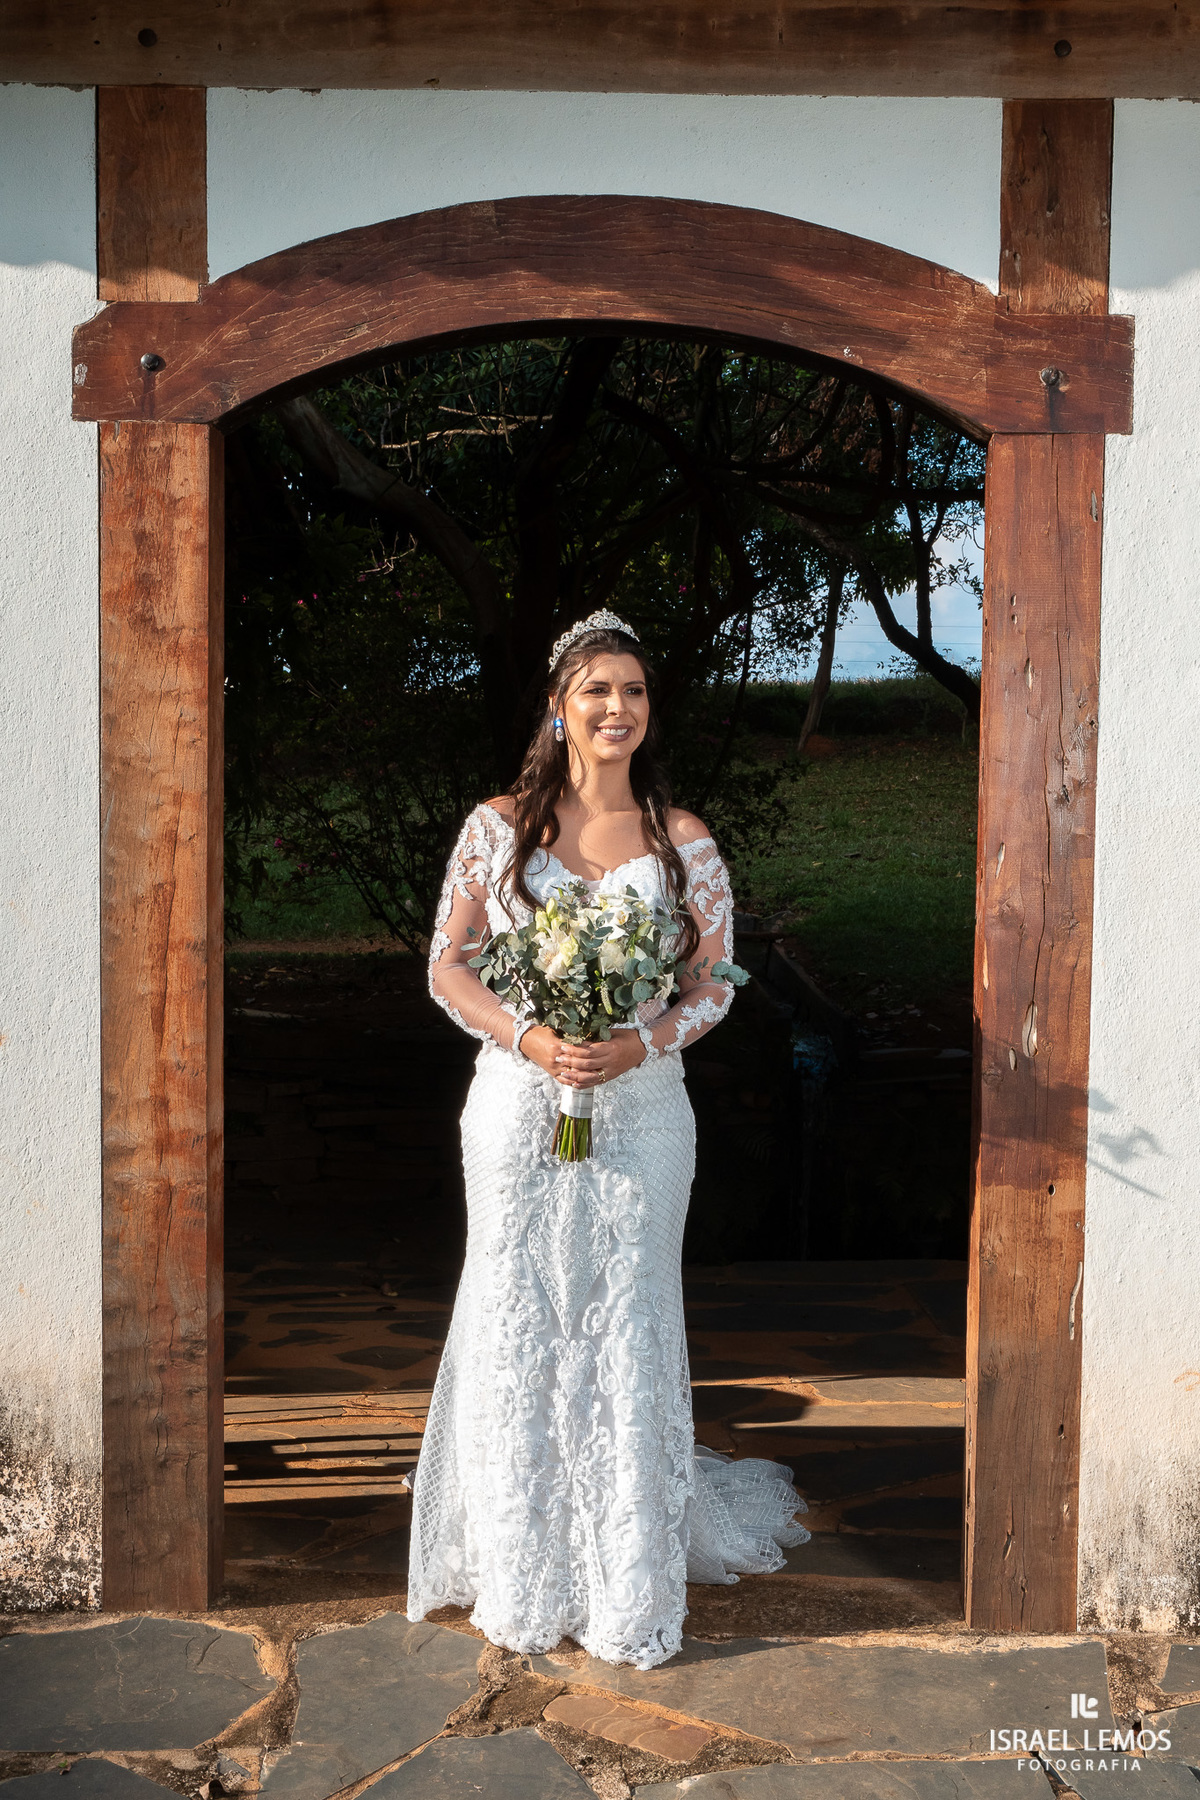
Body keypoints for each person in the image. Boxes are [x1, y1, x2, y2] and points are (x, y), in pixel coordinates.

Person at [407, 609, 808, 1669]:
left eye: (632, 692)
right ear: (559, 708)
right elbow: (449, 964)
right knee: (516, 1309)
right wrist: (528, 1033)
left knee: (625, 1315)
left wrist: (642, 1045)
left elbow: (715, 978)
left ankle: (625, 1574)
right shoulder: (498, 827)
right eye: (597, 691)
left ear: (649, 712)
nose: (616, 709)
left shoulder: (685, 841)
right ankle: (518, 1565)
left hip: (639, 1111)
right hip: (516, 1106)